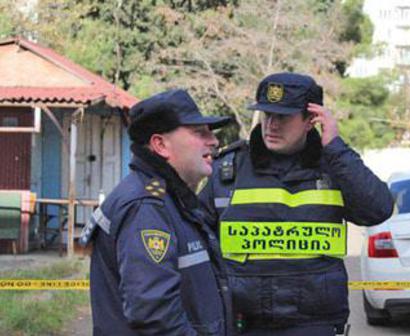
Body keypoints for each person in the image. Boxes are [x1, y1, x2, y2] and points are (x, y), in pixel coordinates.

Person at [199, 72, 394, 335]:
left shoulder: (335, 167)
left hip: (314, 323)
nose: (271, 125)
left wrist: (335, 147)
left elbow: (378, 209)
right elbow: (195, 238)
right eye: (267, 115)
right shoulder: (229, 169)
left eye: (283, 117)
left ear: (310, 120)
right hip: (243, 322)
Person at [80, 89, 233, 335]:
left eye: (210, 132)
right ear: (160, 145)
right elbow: (156, 317)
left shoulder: (169, 198)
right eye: (199, 132)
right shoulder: (146, 206)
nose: (213, 141)